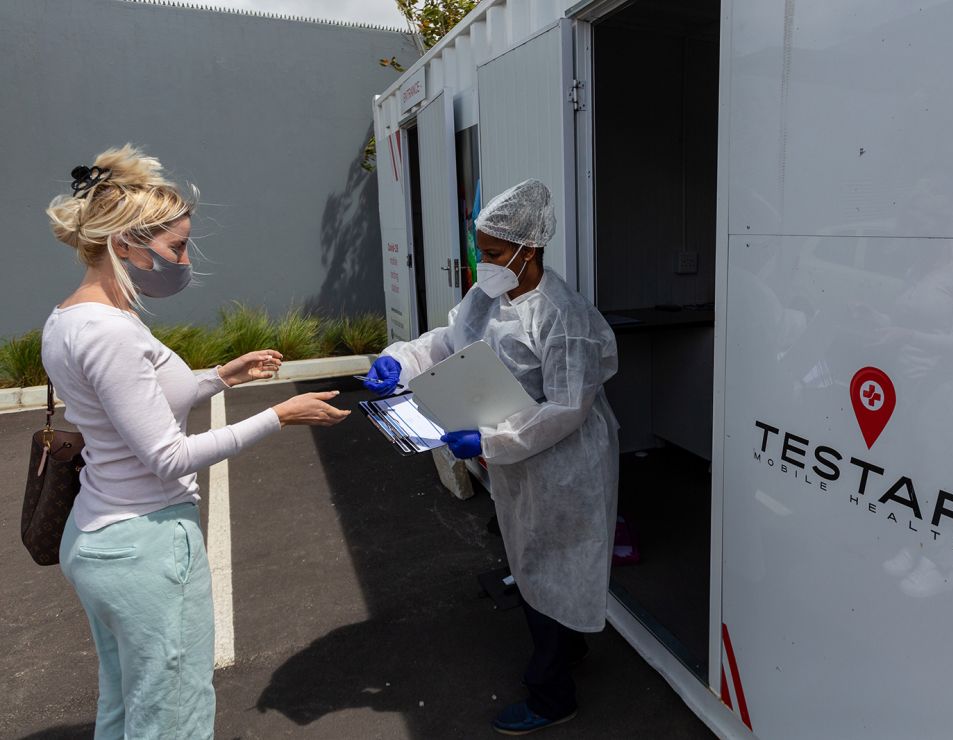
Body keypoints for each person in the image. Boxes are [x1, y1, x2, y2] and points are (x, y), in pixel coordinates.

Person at [41, 145, 350, 739]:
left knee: (129, 705)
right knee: (172, 717)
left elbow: (128, 409)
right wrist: (278, 416)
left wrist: (218, 377)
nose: (183, 259)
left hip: (102, 537)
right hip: (146, 547)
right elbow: (168, 456)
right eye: (176, 247)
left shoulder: (72, 318)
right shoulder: (111, 333)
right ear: (124, 243)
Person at [365, 179, 620, 735]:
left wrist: (489, 441)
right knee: (531, 558)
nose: (486, 264)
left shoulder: (561, 316)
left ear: (529, 250)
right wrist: (398, 361)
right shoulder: (490, 294)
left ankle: (553, 696)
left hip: (563, 463)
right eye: (482, 250)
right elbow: (448, 340)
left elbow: (567, 408)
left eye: (496, 253)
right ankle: (566, 646)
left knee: (552, 563)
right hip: (519, 458)